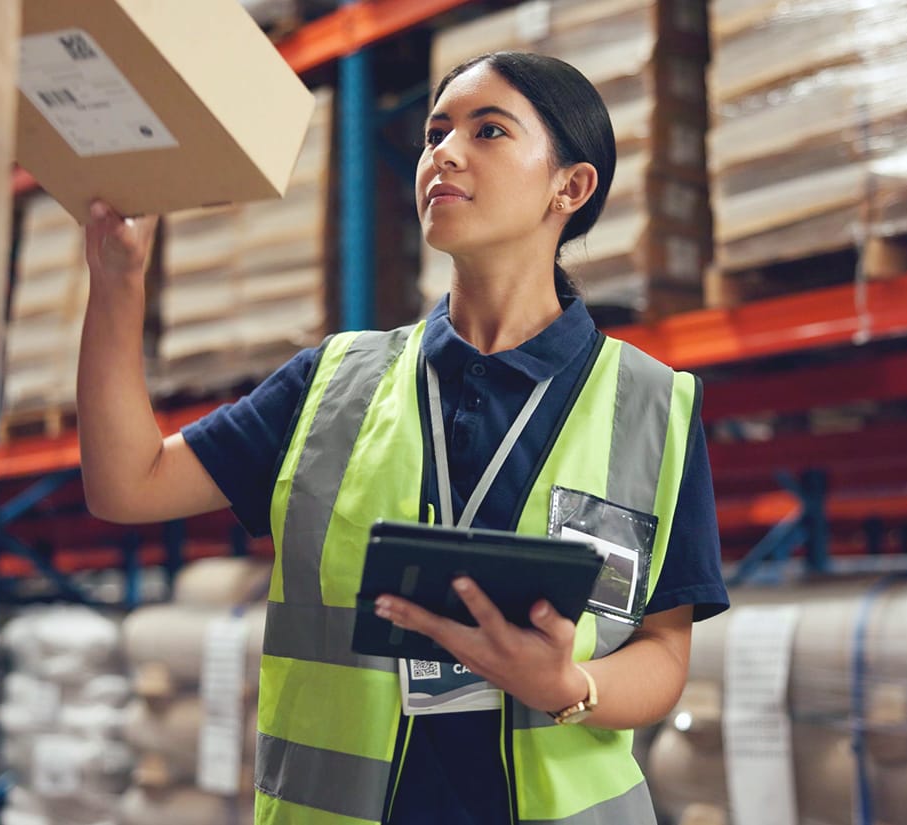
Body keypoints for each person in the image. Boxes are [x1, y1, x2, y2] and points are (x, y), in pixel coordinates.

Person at [78, 51, 728, 825]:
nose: (443, 153)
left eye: (488, 131)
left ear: (571, 186)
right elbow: (126, 482)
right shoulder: (332, 383)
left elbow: (663, 650)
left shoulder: (654, 407)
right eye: (435, 132)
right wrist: (118, 285)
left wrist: (569, 686)